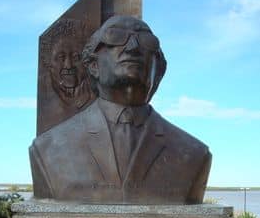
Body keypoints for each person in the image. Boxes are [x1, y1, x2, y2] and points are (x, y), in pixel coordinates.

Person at [30, 15, 211, 204]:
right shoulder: (47, 149)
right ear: (93, 66)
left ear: (158, 69)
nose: (132, 46)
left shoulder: (193, 153)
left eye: (145, 40)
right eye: (115, 37)